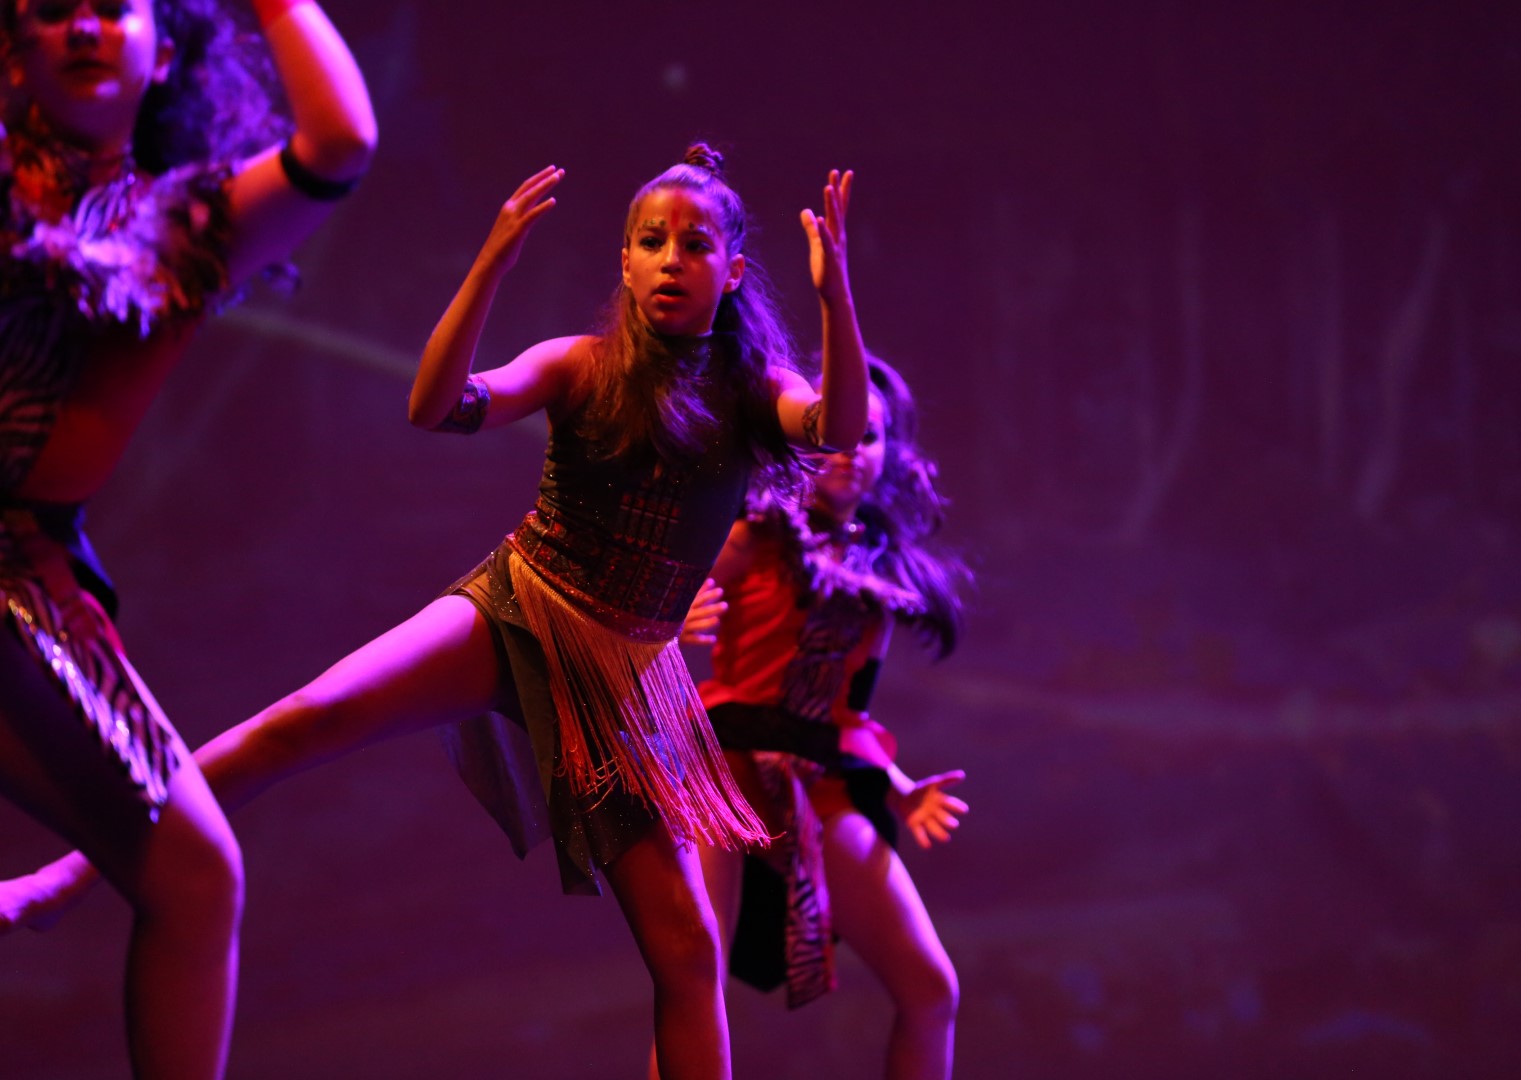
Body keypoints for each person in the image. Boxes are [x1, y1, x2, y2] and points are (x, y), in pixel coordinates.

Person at [4, 143, 871, 1079]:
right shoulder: (578, 364)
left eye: (695, 245)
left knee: (690, 955)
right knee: (303, 720)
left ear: (732, 272)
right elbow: (437, 406)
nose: (671, 260)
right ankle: (71, 876)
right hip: (520, 609)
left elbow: (835, 427)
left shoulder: (753, 391)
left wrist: (835, 299)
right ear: (624, 262)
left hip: (625, 680)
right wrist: (490, 266)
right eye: (652, 242)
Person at [0, 0, 374, 1076]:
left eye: (113, 5)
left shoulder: (193, 226)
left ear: (166, 50)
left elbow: (340, 140)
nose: (85, 25)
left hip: (24, 578)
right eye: (53, 8)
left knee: (196, 873)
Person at [665, 356, 971, 1080]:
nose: (849, 450)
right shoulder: (758, 532)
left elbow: (843, 713)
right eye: (834, 431)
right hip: (727, 769)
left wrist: (899, 789)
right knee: (696, 979)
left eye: (869, 437)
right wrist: (673, 623)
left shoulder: (875, 570)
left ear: (889, 454)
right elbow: (654, 606)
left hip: (819, 785)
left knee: (932, 989)